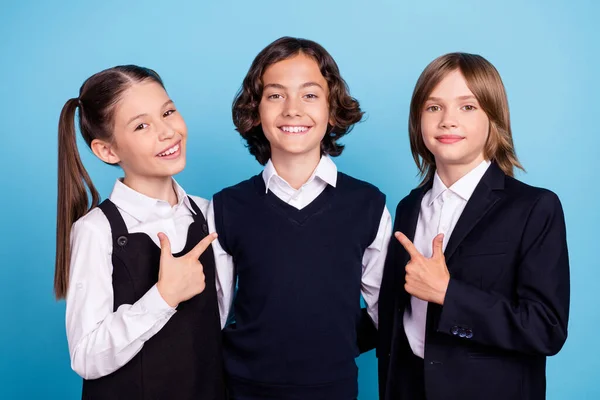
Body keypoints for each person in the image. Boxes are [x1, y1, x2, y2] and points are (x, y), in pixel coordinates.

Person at [377, 52, 570, 400]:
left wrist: (448, 294)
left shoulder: (534, 208)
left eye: (468, 107)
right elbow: (392, 316)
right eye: (433, 107)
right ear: (417, 120)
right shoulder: (408, 208)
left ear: (493, 118)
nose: (448, 120)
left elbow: (546, 329)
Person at [209, 36, 392, 399]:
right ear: (255, 110)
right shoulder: (228, 206)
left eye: (310, 95)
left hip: (333, 388)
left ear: (332, 109)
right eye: (275, 95)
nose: (292, 109)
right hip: (243, 389)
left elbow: (382, 311)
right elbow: (213, 313)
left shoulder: (367, 204)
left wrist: (330, 340)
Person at [54, 65, 225, 399]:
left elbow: (220, 324)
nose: (167, 132)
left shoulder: (211, 214)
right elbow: (86, 356)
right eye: (142, 125)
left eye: (168, 112)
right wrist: (163, 297)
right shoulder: (96, 230)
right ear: (107, 151)